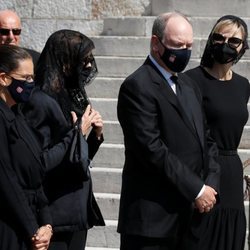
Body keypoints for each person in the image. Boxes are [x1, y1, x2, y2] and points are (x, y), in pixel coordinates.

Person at [117, 12, 221, 250]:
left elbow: (207, 140)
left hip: (190, 220)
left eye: (189, 46)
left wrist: (210, 186)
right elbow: (151, 149)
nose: (184, 52)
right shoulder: (137, 86)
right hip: (153, 223)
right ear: (156, 44)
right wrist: (196, 189)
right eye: (177, 45)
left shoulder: (189, 85)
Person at [21, 29, 105, 250]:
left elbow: (78, 159)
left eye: (89, 60)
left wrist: (94, 136)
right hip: (54, 214)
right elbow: (39, 163)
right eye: (82, 60)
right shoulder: (40, 102)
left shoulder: (70, 96)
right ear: (65, 60)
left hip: (75, 212)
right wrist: (77, 133)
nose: (87, 66)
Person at [183, 15, 249, 250]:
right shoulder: (190, 81)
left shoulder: (243, 85)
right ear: (211, 40)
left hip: (231, 172)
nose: (226, 44)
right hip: (202, 172)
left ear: (243, 47)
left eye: (234, 41)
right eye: (220, 37)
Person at [0, 44, 53, 250]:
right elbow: (5, 179)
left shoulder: (18, 115)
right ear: (4, 78)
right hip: (9, 228)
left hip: (31, 226)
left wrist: (46, 224)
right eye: (26, 78)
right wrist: (33, 229)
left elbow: (35, 176)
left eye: (33, 77)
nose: (31, 83)